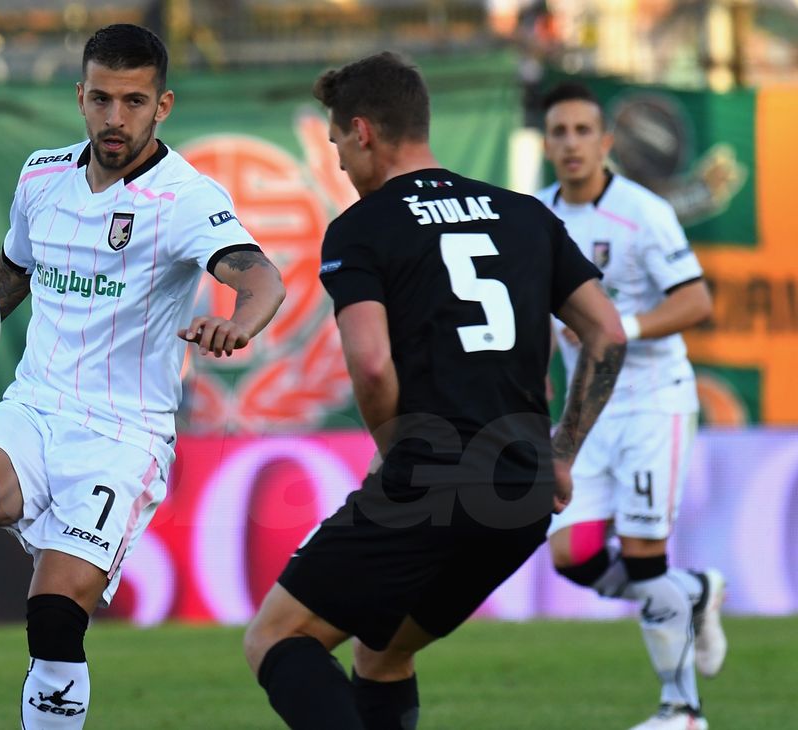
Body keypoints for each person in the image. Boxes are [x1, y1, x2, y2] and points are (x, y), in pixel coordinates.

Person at [0, 23, 284, 730]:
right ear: (81, 97)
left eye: (135, 102)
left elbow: (262, 277)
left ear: (162, 106)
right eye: (103, 99)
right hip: (35, 406)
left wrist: (242, 320)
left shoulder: (185, 198)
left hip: (122, 436)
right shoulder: (41, 176)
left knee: (54, 615)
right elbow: (6, 281)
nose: (116, 119)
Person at [243, 52, 626, 730]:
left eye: (337, 144)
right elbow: (608, 332)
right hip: (523, 494)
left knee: (276, 638)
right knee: (382, 652)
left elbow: (371, 366)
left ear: (363, 132)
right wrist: (563, 450)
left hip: (431, 479)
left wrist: (398, 452)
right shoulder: (524, 215)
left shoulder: (363, 227)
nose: (338, 163)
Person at [537, 81, 725, 730]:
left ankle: (682, 709)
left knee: (644, 554)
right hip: (587, 416)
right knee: (573, 556)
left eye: (582, 131)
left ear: (606, 141)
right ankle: (691, 594)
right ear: (546, 143)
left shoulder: (643, 212)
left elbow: (695, 301)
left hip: (651, 402)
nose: (570, 144)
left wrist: (617, 329)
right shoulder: (537, 216)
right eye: (558, 132)